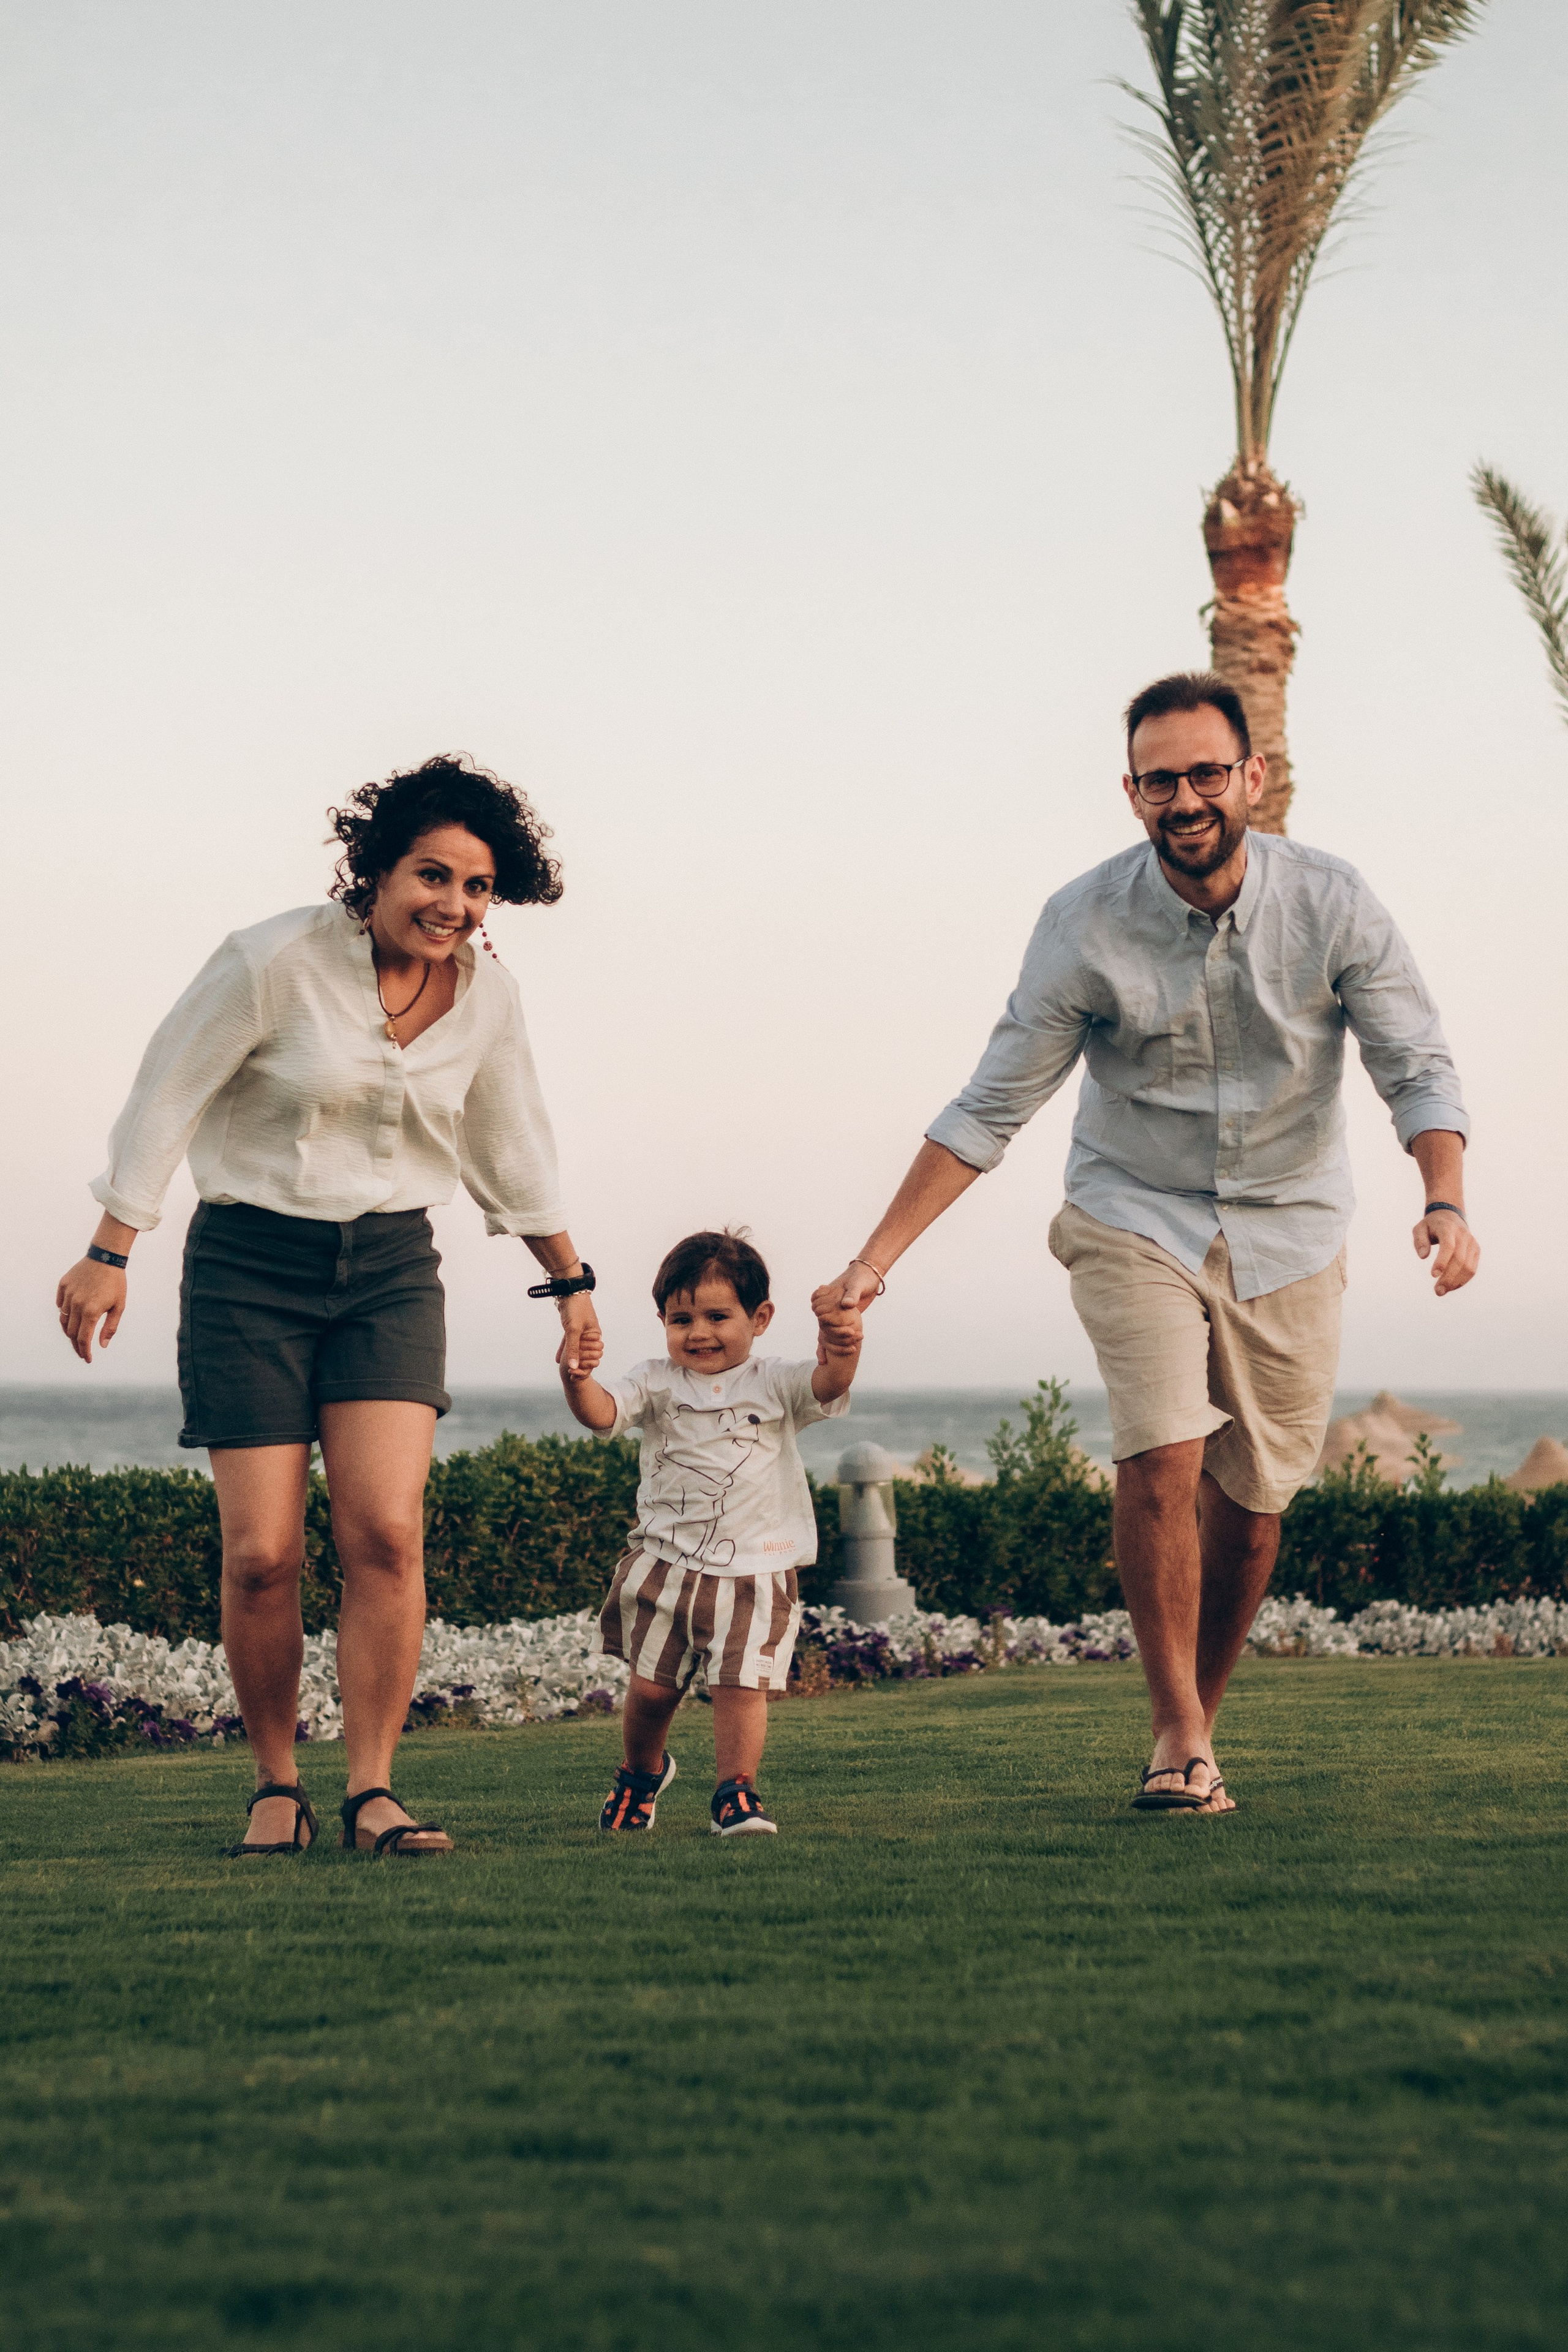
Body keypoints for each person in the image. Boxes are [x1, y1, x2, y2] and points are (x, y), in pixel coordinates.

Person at [813, 672, 1479, 1814]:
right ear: (1131, 793)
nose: (1185, 798)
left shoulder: (1334, 902)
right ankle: (1174, 1731)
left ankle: (1195, 1725)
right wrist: (874, 1263)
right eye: (1159, 780)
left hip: (1293, 1223)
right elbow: (990, 1107)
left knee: (1255, 1510)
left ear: (1251, 776)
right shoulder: (1082, 922)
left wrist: (1446, 1199)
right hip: (1133, 1209)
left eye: (1206, 773)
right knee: (1161, 1448)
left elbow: (1415, 1065)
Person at [55, 754, 600, 1859]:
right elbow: (167, 1094)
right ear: (377, 870)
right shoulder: (272, 962)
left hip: (391, 1271)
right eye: (433, 876)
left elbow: (510, 1140)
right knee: (262, 1553)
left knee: (387, 1536)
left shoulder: (489, 998)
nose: (454, 905)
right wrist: (112, 1248)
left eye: (478, 887)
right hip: (249, 1266)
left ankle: (372, 1791)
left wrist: (569, 1281)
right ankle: (275, 1785)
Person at [562, 1229, 862, 1836]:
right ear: (662, 1322)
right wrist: (577, 1378)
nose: (698, 1333)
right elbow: (603, 1413)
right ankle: (640, 1774)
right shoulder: (655, 1380)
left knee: (739, 1688)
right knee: (651, 1693)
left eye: (717, 1317)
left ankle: (736, 1792)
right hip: (664, 1566)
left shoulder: (775, 1382)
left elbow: (829, 1383)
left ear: (760, 1318)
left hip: (756, 1568)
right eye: (681, 1319)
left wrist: (842, 1343)